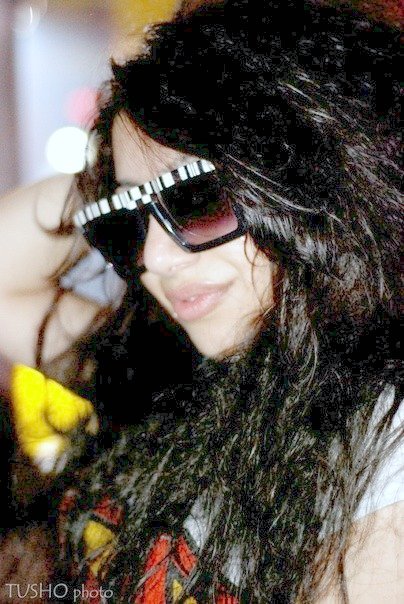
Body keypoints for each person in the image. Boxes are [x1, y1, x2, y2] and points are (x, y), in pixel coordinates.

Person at [53, 1, 403, 603]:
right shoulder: (167, 372)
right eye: (128, 221)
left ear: (319, 191)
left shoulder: (385, 447)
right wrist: (116, 177)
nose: (154, 259)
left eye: (197, 200)